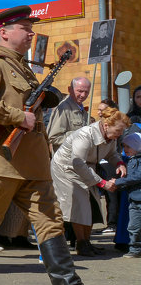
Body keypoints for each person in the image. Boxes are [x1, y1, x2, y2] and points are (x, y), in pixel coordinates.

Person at [0, 5, 123, 285]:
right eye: (23, 27)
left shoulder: (24, 68)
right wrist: (18, 116)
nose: (30, 32)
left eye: (30, 27)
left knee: (50, 221)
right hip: (0, 162)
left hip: (32, 163)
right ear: (4, 33)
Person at [50, 109, 128, 256]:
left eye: (121, 131)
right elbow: (78, 163)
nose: (119, 134)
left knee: (92, 203)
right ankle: (81, 243)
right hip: (66, 168)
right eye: (118, 130)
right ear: (106, 125)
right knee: (80, 203)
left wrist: (119, 163)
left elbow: (112, 153)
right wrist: (102, 183)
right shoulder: (85, 135)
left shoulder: (111, 136)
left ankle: (86, 242)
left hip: (86, 168)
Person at [115, 132, 141, 258]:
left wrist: (118, 182)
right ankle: (135, 249)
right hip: (133, 199)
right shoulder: (130, 160)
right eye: (124, 146)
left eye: (128, 146)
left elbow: (137, 177)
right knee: (133, 226)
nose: (125, 150)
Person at [47, 77, 91, 149]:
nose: (83, 95)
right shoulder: (64, 108)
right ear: (69, 89)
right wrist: (78, 135)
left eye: (86, 92)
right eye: (80, 91)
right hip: (65, 158)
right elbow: (53, 137)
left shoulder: (82, 110)